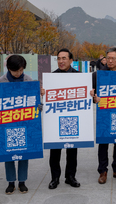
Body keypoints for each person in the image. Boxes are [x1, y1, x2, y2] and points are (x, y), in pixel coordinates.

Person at [91, 47, 116, 184]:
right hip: (104, 114)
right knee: (103, 142)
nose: (110, 60)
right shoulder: (98, 75)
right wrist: (94, 98)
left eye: (113, 58)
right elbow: (92, 93)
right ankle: (103, 171)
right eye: (108, 58)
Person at [0, 55, 32, 194]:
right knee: (9, 153)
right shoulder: (2, 81)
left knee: (24, 152)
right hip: (8, 122)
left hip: (24, 121)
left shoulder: (28, 79)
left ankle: (22, 181)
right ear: (9, 69)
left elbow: (34, 100)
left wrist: (38, 105)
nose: (18, 73)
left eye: (21, 70)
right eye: (15, 71)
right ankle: (10, 182)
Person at [48, 48, 81, 190]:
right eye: (59, 58)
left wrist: (90, 93)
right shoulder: (51, 77)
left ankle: (70, 177)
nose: (61, 61)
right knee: (55, 150)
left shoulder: (79, 76)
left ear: (71, 61)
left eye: (64, 58)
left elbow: (86, 96)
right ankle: (55, 177)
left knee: (72, 150)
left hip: (72, 117)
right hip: (56, 117)